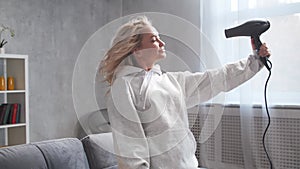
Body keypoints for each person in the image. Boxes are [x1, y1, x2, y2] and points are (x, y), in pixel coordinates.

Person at [99, 16, 270, 169]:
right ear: (136, 50)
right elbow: (130, 145)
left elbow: (216, 79)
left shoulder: (169, 81)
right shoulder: (123, 86)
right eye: (153, 40)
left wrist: (255, 61)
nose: (162, 43)